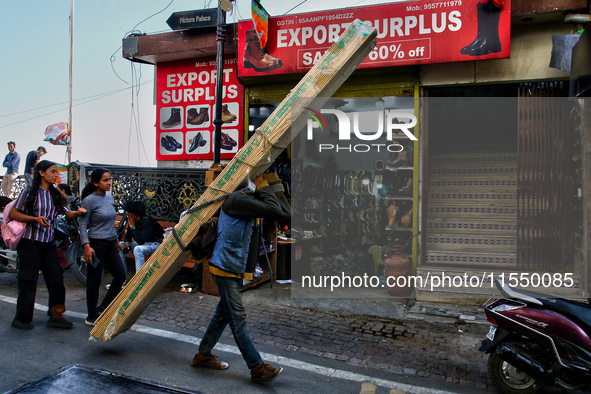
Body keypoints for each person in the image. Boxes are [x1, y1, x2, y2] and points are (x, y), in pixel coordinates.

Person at [192, 173, 291, 384]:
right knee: (237, 317)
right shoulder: (237, 200)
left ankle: (203, 355)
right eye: (259, 177)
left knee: (223, 315)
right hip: (225, 266)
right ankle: (257, 367)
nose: (261, 180)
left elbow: (284, 213)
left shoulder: (250, 200)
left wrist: (275, 185)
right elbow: (273, 209)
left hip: (234, 266)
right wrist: (264, 184)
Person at [9, 160, 86, 330]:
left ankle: (56, 317)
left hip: (49, 244)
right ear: (41, 173)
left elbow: (67, 214)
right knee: (28, 281)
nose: (55, 175)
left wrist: (78, 212)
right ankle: (21, 318)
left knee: (57, 280)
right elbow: (15, 213)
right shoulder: (28, 192)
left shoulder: (56, 194)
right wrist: (34, 219)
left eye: (56, 172)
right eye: (52, 171)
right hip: (30, 243)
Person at [78, 168, 127, 326]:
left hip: (110, 242)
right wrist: (86, 245)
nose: (109, 183)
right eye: (105, 180)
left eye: (110, 179)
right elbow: (83, 224)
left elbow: (110, 223)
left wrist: (116, 240)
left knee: (120, 275)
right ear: (96, 182)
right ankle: (91, 315)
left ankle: (104, 306)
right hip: (95, 243)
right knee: (94, 280)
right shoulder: (89, 200)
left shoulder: (110, 197)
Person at [123, 200, 164, 273]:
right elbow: (128, 235)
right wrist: (127, 242)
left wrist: (133, 227)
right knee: (120, 246)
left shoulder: (147, 221)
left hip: (156, 244)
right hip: (144, 244)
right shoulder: (132, 221)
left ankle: (139, 279)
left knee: (138, 249)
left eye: (128, 213)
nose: (126, 215)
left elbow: (141, 240)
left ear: (133, 214)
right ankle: (122, 278)